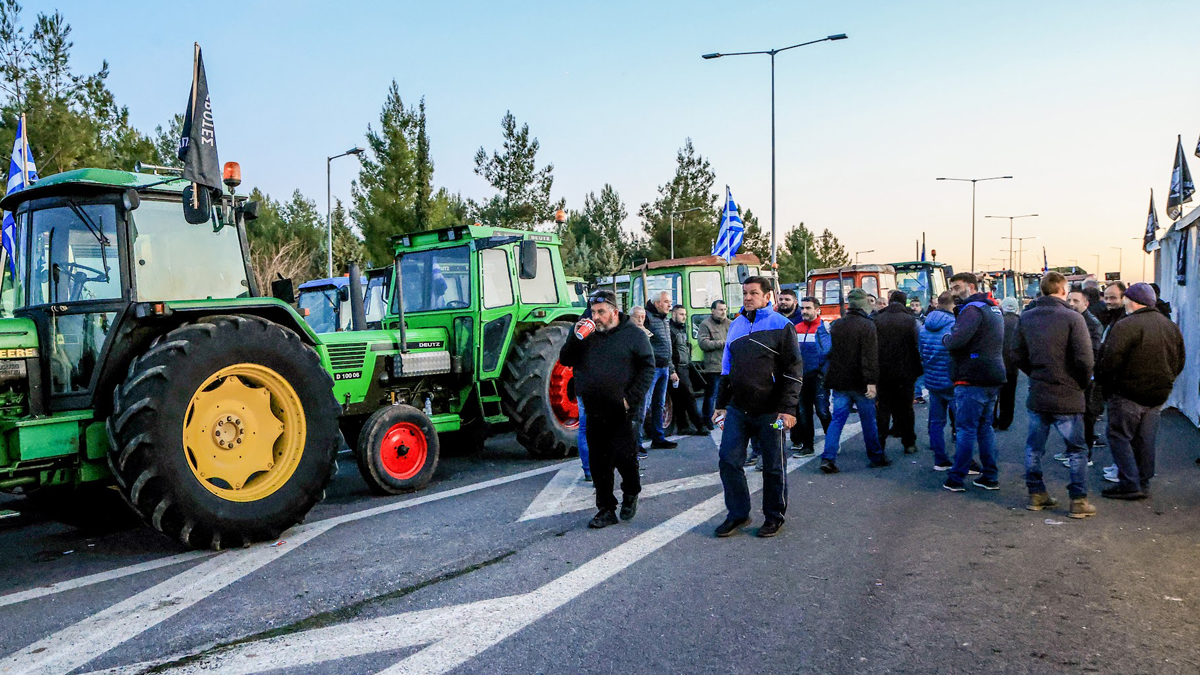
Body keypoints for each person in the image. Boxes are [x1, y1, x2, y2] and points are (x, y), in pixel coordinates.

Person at [713, 276, 803, 538]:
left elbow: (793, 370)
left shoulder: (782, 326)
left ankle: (774, 516)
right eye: (745, 293)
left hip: (772, 412)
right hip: (739, 410)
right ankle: (738, 513)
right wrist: (721, 404)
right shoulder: (736, 326)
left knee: (773, 464)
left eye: (754, 293)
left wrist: (788, 409)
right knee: (728, 460)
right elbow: (727, 369)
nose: (748, 298)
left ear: (767, 297)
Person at [559, 291, 655, 529]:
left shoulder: (633, 334)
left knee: (625, 458)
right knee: (599, 461)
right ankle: (605, 509)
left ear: (614, 311)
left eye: (601, 312)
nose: (596, 317)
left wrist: (629, 399)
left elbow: (647, 368)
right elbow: (565, 359)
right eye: (593, 312)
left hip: (622, 410)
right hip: (594, 407)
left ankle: (631, 492)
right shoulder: (586, 334)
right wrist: (575, 338)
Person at [1014, 272, 1096, 518]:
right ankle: (1078, 500)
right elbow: (1085, 359)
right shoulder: (1073, 318)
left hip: (1039, 391)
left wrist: (1035, 373)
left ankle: (1036, 493)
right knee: (1077, 450)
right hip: (1068, 394)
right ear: (1063, 289)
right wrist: (1080, 384)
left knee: (1034, 448)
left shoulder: (1026, 318)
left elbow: (1016, 354)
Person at [1097, 283, 1186, 500]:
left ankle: (1129, 482)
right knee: (1145, 439)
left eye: (1126, 298)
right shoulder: (1169, 326)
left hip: (1127, 394)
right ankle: (1143, 481)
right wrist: (1166, 381)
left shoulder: (1126, 325)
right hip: (1157, 395)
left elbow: (1110, 361)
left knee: (1120, 436)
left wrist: (1106, 387)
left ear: (1133, 301)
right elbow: (1179, 360)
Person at [941, 272, 1006, 493]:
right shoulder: (993, 308)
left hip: (971, 376)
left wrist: (946, 339)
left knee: (966, 429)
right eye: (952, 288)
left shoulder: (972, 310)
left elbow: (956, 341)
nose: (953, 293)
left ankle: (957, 478)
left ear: (970, 286)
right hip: (992, 375)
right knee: (984, 428)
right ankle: (990, 476)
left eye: (957, 287)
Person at [820, 288, 885, 473]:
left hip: (840, 380)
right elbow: (869, 356)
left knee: (837, 420)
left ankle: (828, 457)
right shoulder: (868, 325)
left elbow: (832, 352)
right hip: (860, 382)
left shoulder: (838, 324)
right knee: (868, 420)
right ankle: (876, 455)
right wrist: (871, 381)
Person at [873, 290, 922, 455]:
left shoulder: (877, 319)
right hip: (906, 372)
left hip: (883, 372)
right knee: (906, 408)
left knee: (883, 408)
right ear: (905, 302)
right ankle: (909, 442)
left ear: (889, 301)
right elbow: (918, 344)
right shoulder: (911, 321)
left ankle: (879, 444)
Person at [919, 291, 958, 470]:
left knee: (936, 422)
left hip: (932, 378)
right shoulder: (954, 325)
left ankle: (940, 459)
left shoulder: (924, 326)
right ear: (953, 304)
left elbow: (921, 352)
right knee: (962, 423)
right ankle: (963, 460)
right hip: (951, 379)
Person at [1066, 288, 1104, 461]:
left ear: (1086, 303)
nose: (1071, 304)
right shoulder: (1070, 319)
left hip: (1087, 377)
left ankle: (1085, 454)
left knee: (1086, 417)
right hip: (1072, 376)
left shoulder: (1092, 323)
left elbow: (1094, 352)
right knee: (1072, 417)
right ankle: (1072, 451)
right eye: (1069, 300)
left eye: (1075, 301)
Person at [792, 296, 832, 457]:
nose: (804, 311)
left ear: (817, 310)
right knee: (803, 413)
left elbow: (830, 353)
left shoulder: (825, 328)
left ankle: (832, 442)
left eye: (808, 308)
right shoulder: (796, 328)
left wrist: (825, 374)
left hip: (819, 378)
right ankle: (807, 446)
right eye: (802, 308)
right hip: (801, 378)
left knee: (823, 411)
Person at [642, 291, 678, 450]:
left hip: (664, 368)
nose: (669, 305)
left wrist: (671, 370)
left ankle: (658, 438)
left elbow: (667, 347)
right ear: (657, 303)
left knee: (659, 404)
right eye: (666, 302)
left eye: (670, 302)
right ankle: (636, 443)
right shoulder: (647, 318)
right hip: (652, 369)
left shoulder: (665, 320)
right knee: (644, 405)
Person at [668, 304, 708, 435]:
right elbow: (670, 352)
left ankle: (683, 426)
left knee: (679, 399)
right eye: (681, 314)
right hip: (678, 368)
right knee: (689, 397)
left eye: (685, 314)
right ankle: (700, 426)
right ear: (673, 314)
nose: (684, 317)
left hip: (684, 366)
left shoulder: (680, 329)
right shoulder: (671, 330)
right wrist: (673, 370)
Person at [697, 300, 730, 429]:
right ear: (713, 310)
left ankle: (727, 419)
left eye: (725, 310)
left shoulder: (730, 324)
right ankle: (708, 419)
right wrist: (723, 343)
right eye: (720, 309)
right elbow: (703, 344)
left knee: (728, 395)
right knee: (712, 394)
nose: (723, 312)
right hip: (714, 366)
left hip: (728, 366)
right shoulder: (705, 325)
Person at [994, 297, 1022, 431]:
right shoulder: (1020, 322)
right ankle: (1005, 421)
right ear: (1016, 308)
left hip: (996, 363)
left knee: (993, 395)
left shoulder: (997, 321)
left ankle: (992, 420)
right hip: (1012, 365)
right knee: (1008, 396)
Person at [910, 298, 927, 404]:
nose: (914, 307)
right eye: (912, 305)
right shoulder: (910, 319)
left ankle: (917, 393)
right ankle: (917, 394)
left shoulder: (924, 319)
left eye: (917, 305)